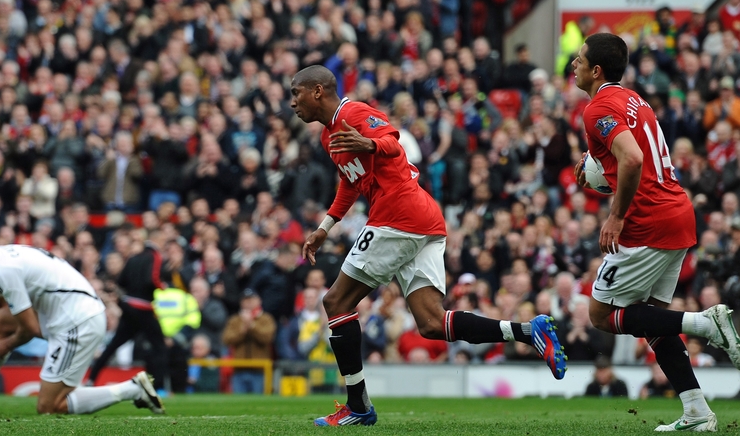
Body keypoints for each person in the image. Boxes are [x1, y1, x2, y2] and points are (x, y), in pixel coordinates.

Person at [291, 65, 567, 427]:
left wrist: (368, 142)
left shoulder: (354, 113)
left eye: (296, 93)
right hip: (422, 220)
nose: (292, 102)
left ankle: (357, 405)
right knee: (433, 324)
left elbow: (392, 141)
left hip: (398, 216)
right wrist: (326, 226)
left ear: (316, 91)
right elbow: (351, 182)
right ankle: (529, 331)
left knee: (336, 301)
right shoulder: (329, 137)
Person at [572, 32, 740, 432]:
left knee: (600, 314)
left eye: (578, 59)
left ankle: (703, 324)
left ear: (596, 70)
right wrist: (598, 162)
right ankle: (697, 410)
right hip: (676, 212)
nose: (573, 65)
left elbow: (630, 159)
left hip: (647, 222)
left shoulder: (597, 109)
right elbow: (630, 155)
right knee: (652, 319)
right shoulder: (635, 99)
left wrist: (615, 216)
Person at [0, 235, 163, 415]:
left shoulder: (5, 269)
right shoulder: (2, 258)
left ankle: (132, 390)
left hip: (78, 322)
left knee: (49, 406)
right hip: (67, 314)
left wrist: (6, 344)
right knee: (1, 319)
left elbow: (29, 329)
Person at [87, 229, 169, 391]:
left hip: (129, 306)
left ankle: (91, 378)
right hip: (144, 308)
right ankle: (158, 386)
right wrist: (162, 286)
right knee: (159, 347)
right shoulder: (154, 256)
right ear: (157, 240)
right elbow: (152, 278)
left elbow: (122, 282)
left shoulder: (132, 259)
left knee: (113, 346)